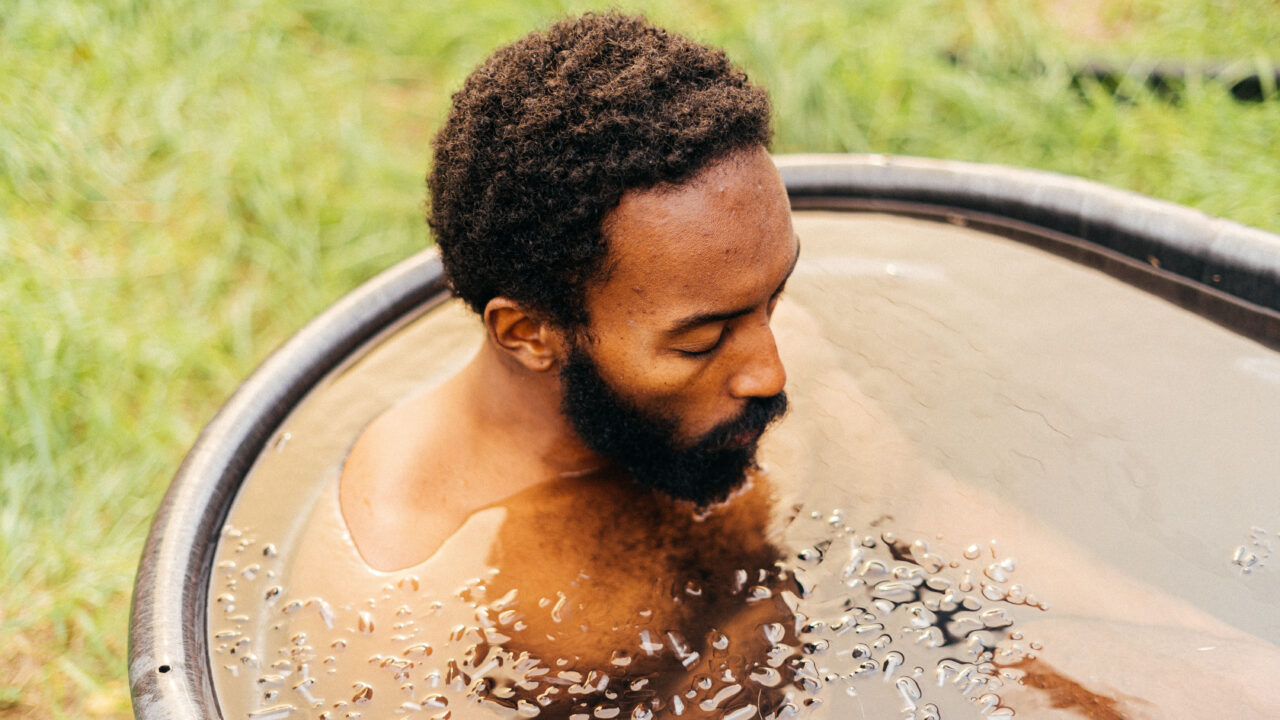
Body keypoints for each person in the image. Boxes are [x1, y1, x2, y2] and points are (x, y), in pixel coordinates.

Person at [338, 12, 802, 718]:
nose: (771, 372)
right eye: (702, 342)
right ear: (529, 333)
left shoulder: (722, 305)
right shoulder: (409, 579)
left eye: (776, 297)